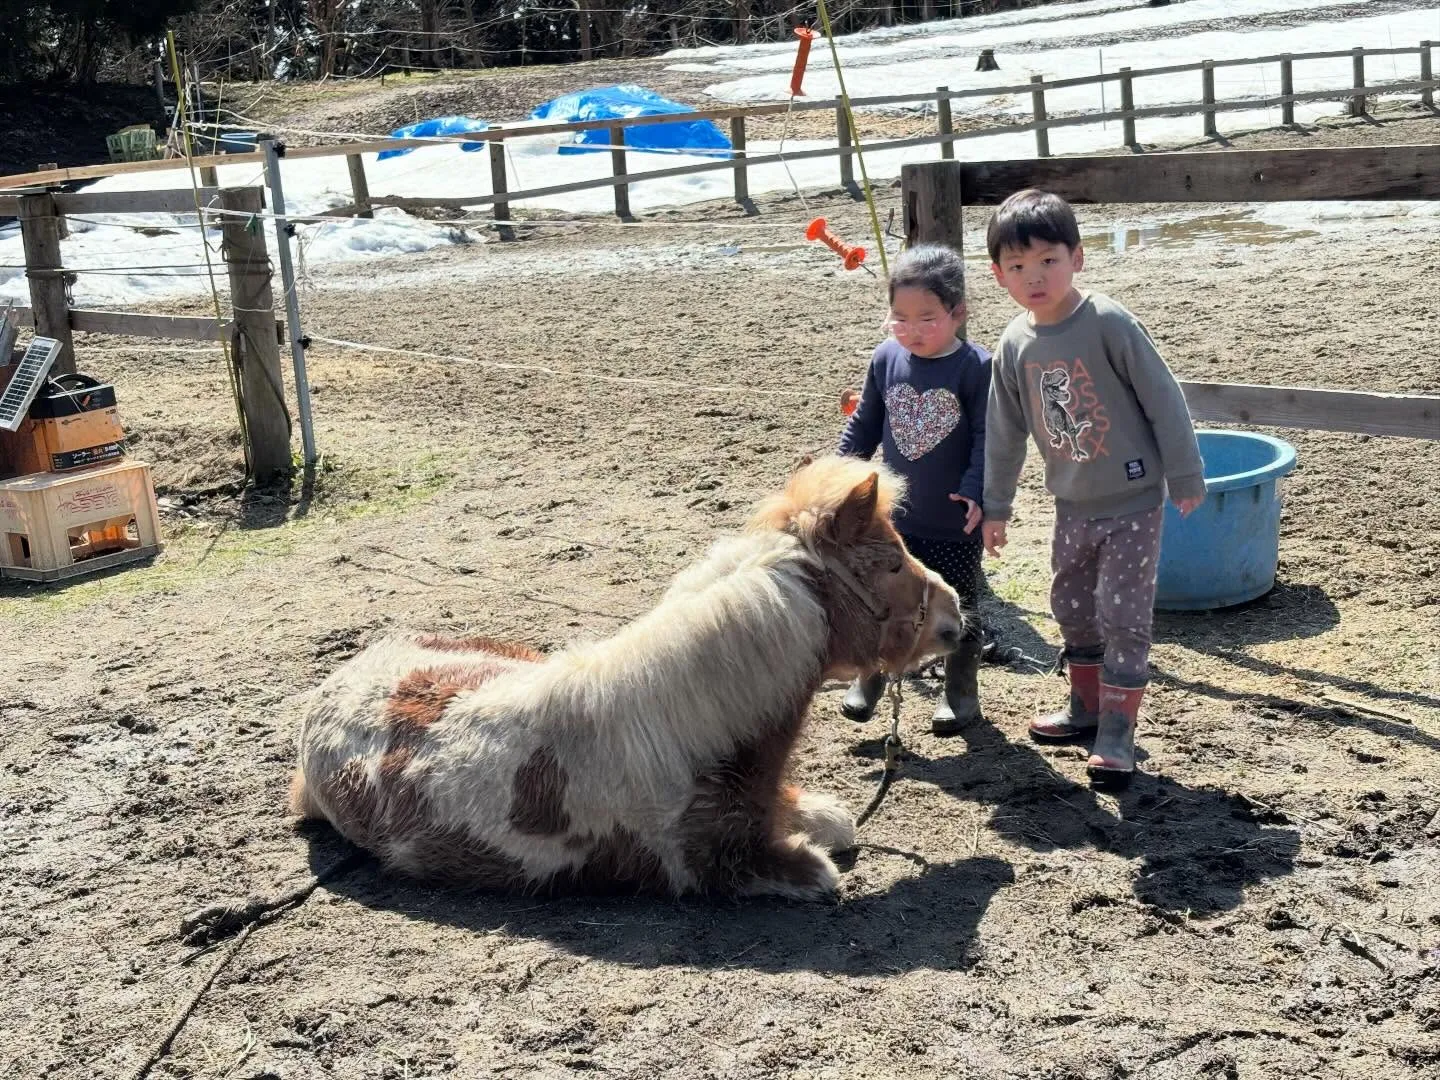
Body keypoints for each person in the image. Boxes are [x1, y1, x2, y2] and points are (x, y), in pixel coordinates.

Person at [981, 188, 1205, 782]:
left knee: (1122, 612)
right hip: (1071, 503)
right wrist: (995, 505)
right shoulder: (1014, 345)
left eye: (1049, 261)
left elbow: (1164, 398)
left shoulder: (1107, 321)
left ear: (1077, 257)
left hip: (1133, 499)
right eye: (1019, 266)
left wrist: (1185, 472)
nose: (1035, 277)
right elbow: (1003, 433)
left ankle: (1117, 728)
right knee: (1071, 604)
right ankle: (1084, 705)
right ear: (999, 274)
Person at [838, 243, 991, 735]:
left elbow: (990, 437)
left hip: (953, 522)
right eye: (900, 319)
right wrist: (839, 475)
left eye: (927, 318)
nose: (912, 331)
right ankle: (870, 678)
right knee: (883, 599)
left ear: (957, 312)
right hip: (897, 521)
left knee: (958, 602)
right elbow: (864, 425)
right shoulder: (885, 359)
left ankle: (960, 694)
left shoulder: (975, 368)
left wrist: (975, 491)